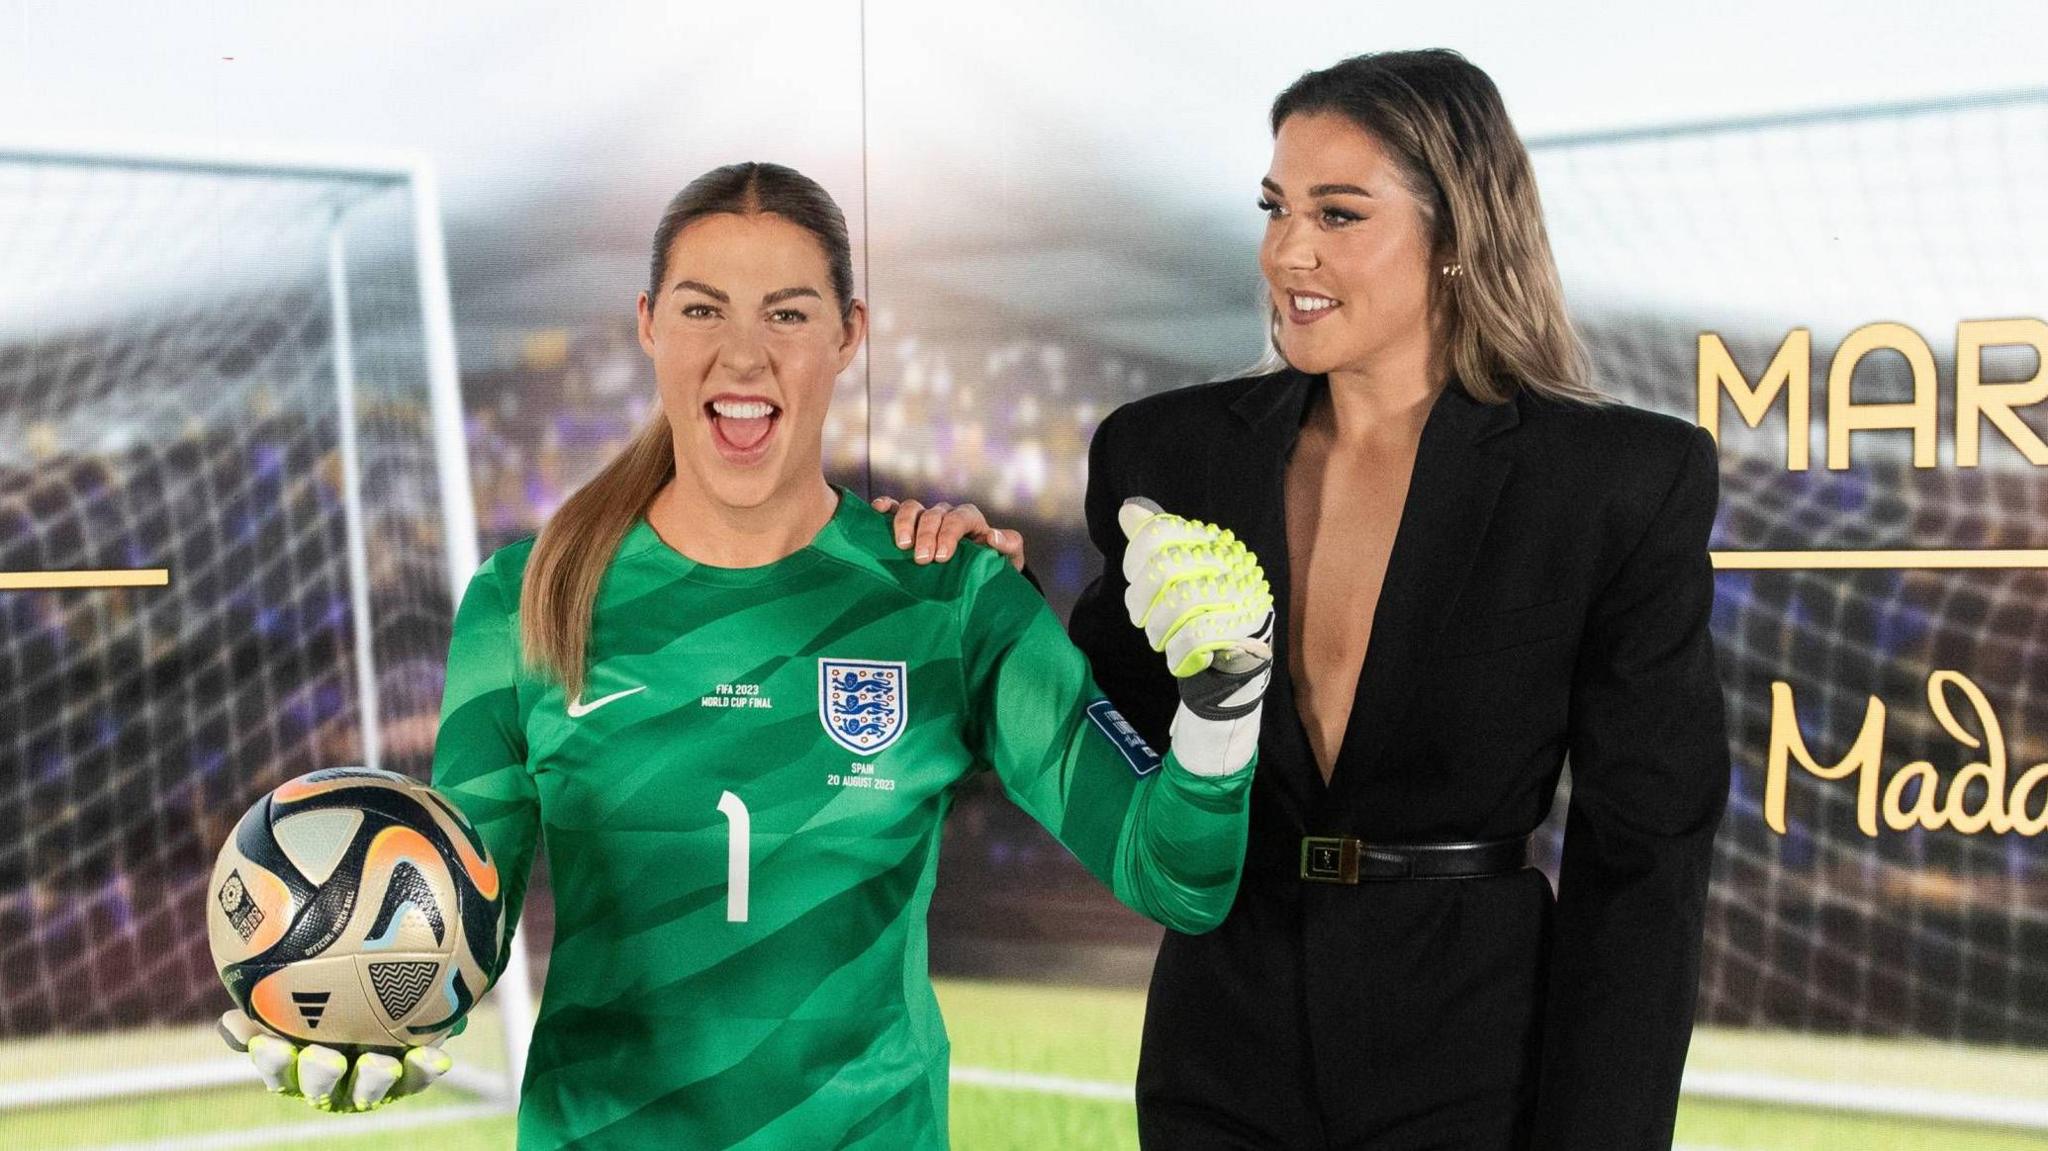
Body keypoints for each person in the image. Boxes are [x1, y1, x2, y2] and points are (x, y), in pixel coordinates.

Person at [215, 160, 1278, 1150]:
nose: (742, 353)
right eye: (700, 308)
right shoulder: (524, 599)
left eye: (787, 312)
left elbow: (1172, 877)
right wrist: (370, 1014)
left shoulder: (949, 595)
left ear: (848, 334)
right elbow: (462, 910)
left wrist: (1224, 700)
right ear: (646, 325)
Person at [892, 49, 1730, 1150]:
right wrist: (984, 611)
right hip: (1219, 1042)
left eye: (1338, 214)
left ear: (1456, 236)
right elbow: (1099, 753)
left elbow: (1644, 860)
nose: (1287, 250)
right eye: (1275, 207)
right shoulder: (1167, 454)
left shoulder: (1613, 478)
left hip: (1477, 1058)